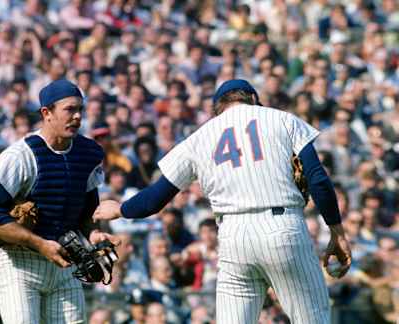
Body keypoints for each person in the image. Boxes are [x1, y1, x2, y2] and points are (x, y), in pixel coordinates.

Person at [93, 79, 352, 323]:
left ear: (217, 109)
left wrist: (120, 208)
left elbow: (154, 200)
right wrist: (337, 231)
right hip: (282, 227)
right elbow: (318, 179)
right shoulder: (282, 119)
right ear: (253, 99)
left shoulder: (200, 137)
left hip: (232, 237)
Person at [0, 79, 119, 324]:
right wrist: (39, 243)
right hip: (20, 263)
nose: (77, 116)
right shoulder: (20, 156)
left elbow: (87, 210)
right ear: (47, 113)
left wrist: (94, 233)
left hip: (66, 262)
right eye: (69, 109)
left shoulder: (88, 153)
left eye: (80, 110)